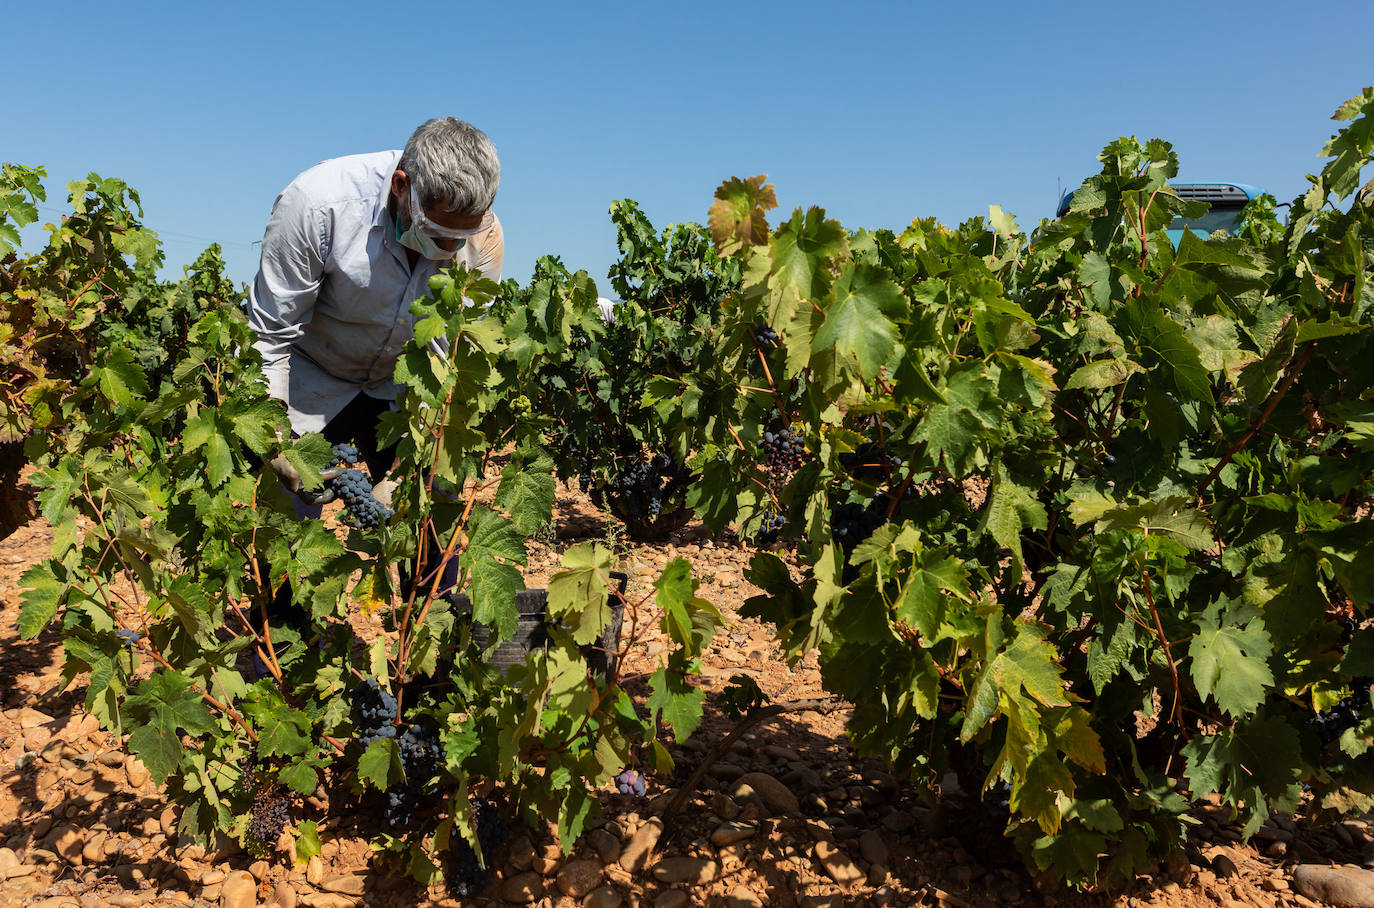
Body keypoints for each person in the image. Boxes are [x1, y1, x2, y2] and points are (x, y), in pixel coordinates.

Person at [246, 117, 502, 626]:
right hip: (312, 374)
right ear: (402, 187)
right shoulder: (319, 204)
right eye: (437, 235)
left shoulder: (481, 238)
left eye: (460, 239)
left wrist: (412, 469)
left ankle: (428, 657)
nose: (450, 251)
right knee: (287, 536)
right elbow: (269, 335)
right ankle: (279, 665)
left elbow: (451, 358)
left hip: (401, 385)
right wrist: (275, 438)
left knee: (431, 515)